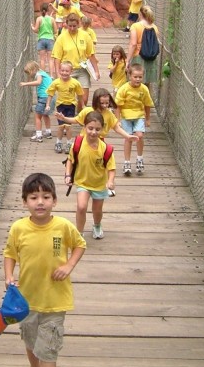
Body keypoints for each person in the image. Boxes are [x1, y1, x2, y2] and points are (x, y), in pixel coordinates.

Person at [3, 173, 86, 367]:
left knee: (48, 350)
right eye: (34, 197)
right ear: (24, 202)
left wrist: (68, 266)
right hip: (27, 300)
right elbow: (10, 254)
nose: (40, 202)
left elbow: (80, 244)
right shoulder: (19, 228)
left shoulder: (63, 226)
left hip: (55, 300)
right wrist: (8, 276)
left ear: (55, 201)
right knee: (31, 341)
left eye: (46, 197)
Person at [63, 110, 116, 239]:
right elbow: (70, 160)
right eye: (90, 128)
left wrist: (110, 181)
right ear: (84, 127)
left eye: (97, 129)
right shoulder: (78, 144)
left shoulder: (105, 149)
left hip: (99, 184)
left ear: (102, 130)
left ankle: (97, 225)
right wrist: (68, 175)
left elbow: (111, 168)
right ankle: (79, 233)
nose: (93, 132)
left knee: (97, 211)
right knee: (81, 207)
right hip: (82, 182)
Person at [51, 12, 100, 107]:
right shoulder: (61, 38)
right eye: (70, 26)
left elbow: (91, 54)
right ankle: (69, 116)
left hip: (83, 69)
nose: (72, 28)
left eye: (74, 26)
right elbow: (57, 57)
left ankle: (79, 115)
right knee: (68, 99)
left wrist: (96, 71)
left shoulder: (85, 36)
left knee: (83, 99)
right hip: (68, 71)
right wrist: (57, 73)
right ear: (66, 24)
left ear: (78, 24)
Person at [55, 87, 137, 144]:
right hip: (84, 139)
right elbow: (76, 120)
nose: (105, 105)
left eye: (107, 103)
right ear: (95, 101)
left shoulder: (109, 114)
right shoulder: (87, 110)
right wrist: (64, 118)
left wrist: (127, 136)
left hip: (99, 140)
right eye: (102, 103)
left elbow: (116, 127)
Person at [115, 62, 154, 176]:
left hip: (139, 115)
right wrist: (118, 120)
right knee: (128, 138)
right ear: (129, 76)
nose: (137, 79)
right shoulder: (124, 89)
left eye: (140, 77)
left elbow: (147, 104)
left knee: (139, 135)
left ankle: (139, 158)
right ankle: (127, 162)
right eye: (135, 77)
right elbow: (118, 105)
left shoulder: (144, 89)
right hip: (126, 116)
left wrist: (147, 119)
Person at [45, 61, 84, 154]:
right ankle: (58, 142)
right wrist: (48, 104)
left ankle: (69, 143)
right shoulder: (56, 82)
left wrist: (82, 105)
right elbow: (50, 93)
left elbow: (80, 94)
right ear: (59, 70)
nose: (64, 73)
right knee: (61, 126)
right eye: (62, 70)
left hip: (71, 105)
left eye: (67, 71)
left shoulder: (75, 83)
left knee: (68, 126)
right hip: (60, 106)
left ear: (71, 71)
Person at [127, 4, 160, 91]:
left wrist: (128, 60)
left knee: (136, 80)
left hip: (139, 56)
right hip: (151, 58)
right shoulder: (155, 27)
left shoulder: (135, 26)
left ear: (140, 14)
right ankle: (145, 101)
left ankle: (135, 100)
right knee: (147, 82)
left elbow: (133, 44)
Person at [20, 61, 55, 142]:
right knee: (45, 115)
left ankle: (38, 135)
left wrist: (25, 84)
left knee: (37, 116)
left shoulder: (39, 74)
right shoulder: (44, 73)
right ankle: (48, 132)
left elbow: (38, 82)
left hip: (43, 97)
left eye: (29, 73)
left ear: (33, 69)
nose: (29, 75)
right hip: (50, 97)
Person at [31, 3, 57, 73]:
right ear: (48, 10)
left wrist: (32, 27)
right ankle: (51, 75)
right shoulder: (52, 19)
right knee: (50, 59)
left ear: (40, 10)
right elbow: (55, 31)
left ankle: (42, 75)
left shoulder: (39, 19)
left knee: (42, 59)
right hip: (50, 39)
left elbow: (36, 30)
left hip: (41, 39)